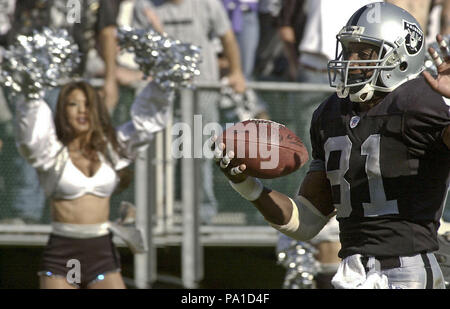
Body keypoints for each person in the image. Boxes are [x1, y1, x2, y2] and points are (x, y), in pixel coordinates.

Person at [214, 2, 450, 289]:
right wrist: (247, 186)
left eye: (364, 52)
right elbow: (306, 221)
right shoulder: (331, 113)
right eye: (349, 50)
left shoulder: (420, 102)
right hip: (352, 271)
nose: (350, 61)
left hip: (407, 270)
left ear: (400, 57)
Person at [14, 79, 173, 289]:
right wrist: (31, 90)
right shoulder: (51, 153)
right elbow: (30, 133)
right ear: (63, 111)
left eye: (88, 104)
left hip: (102, 254)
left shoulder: (111, 149)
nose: (82, 111)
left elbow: (144, 126)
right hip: (62, 255)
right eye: (73, 104)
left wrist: (163, 83)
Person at [135, 0, 246, 223]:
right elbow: (140, 50)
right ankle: (157, 214)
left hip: (202, 90)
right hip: (161, 92)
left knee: (199, 153)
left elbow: (227, 37)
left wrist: (236, 71)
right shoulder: (144, 6)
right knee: (159, 154)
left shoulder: (208, 4)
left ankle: (201, 214)